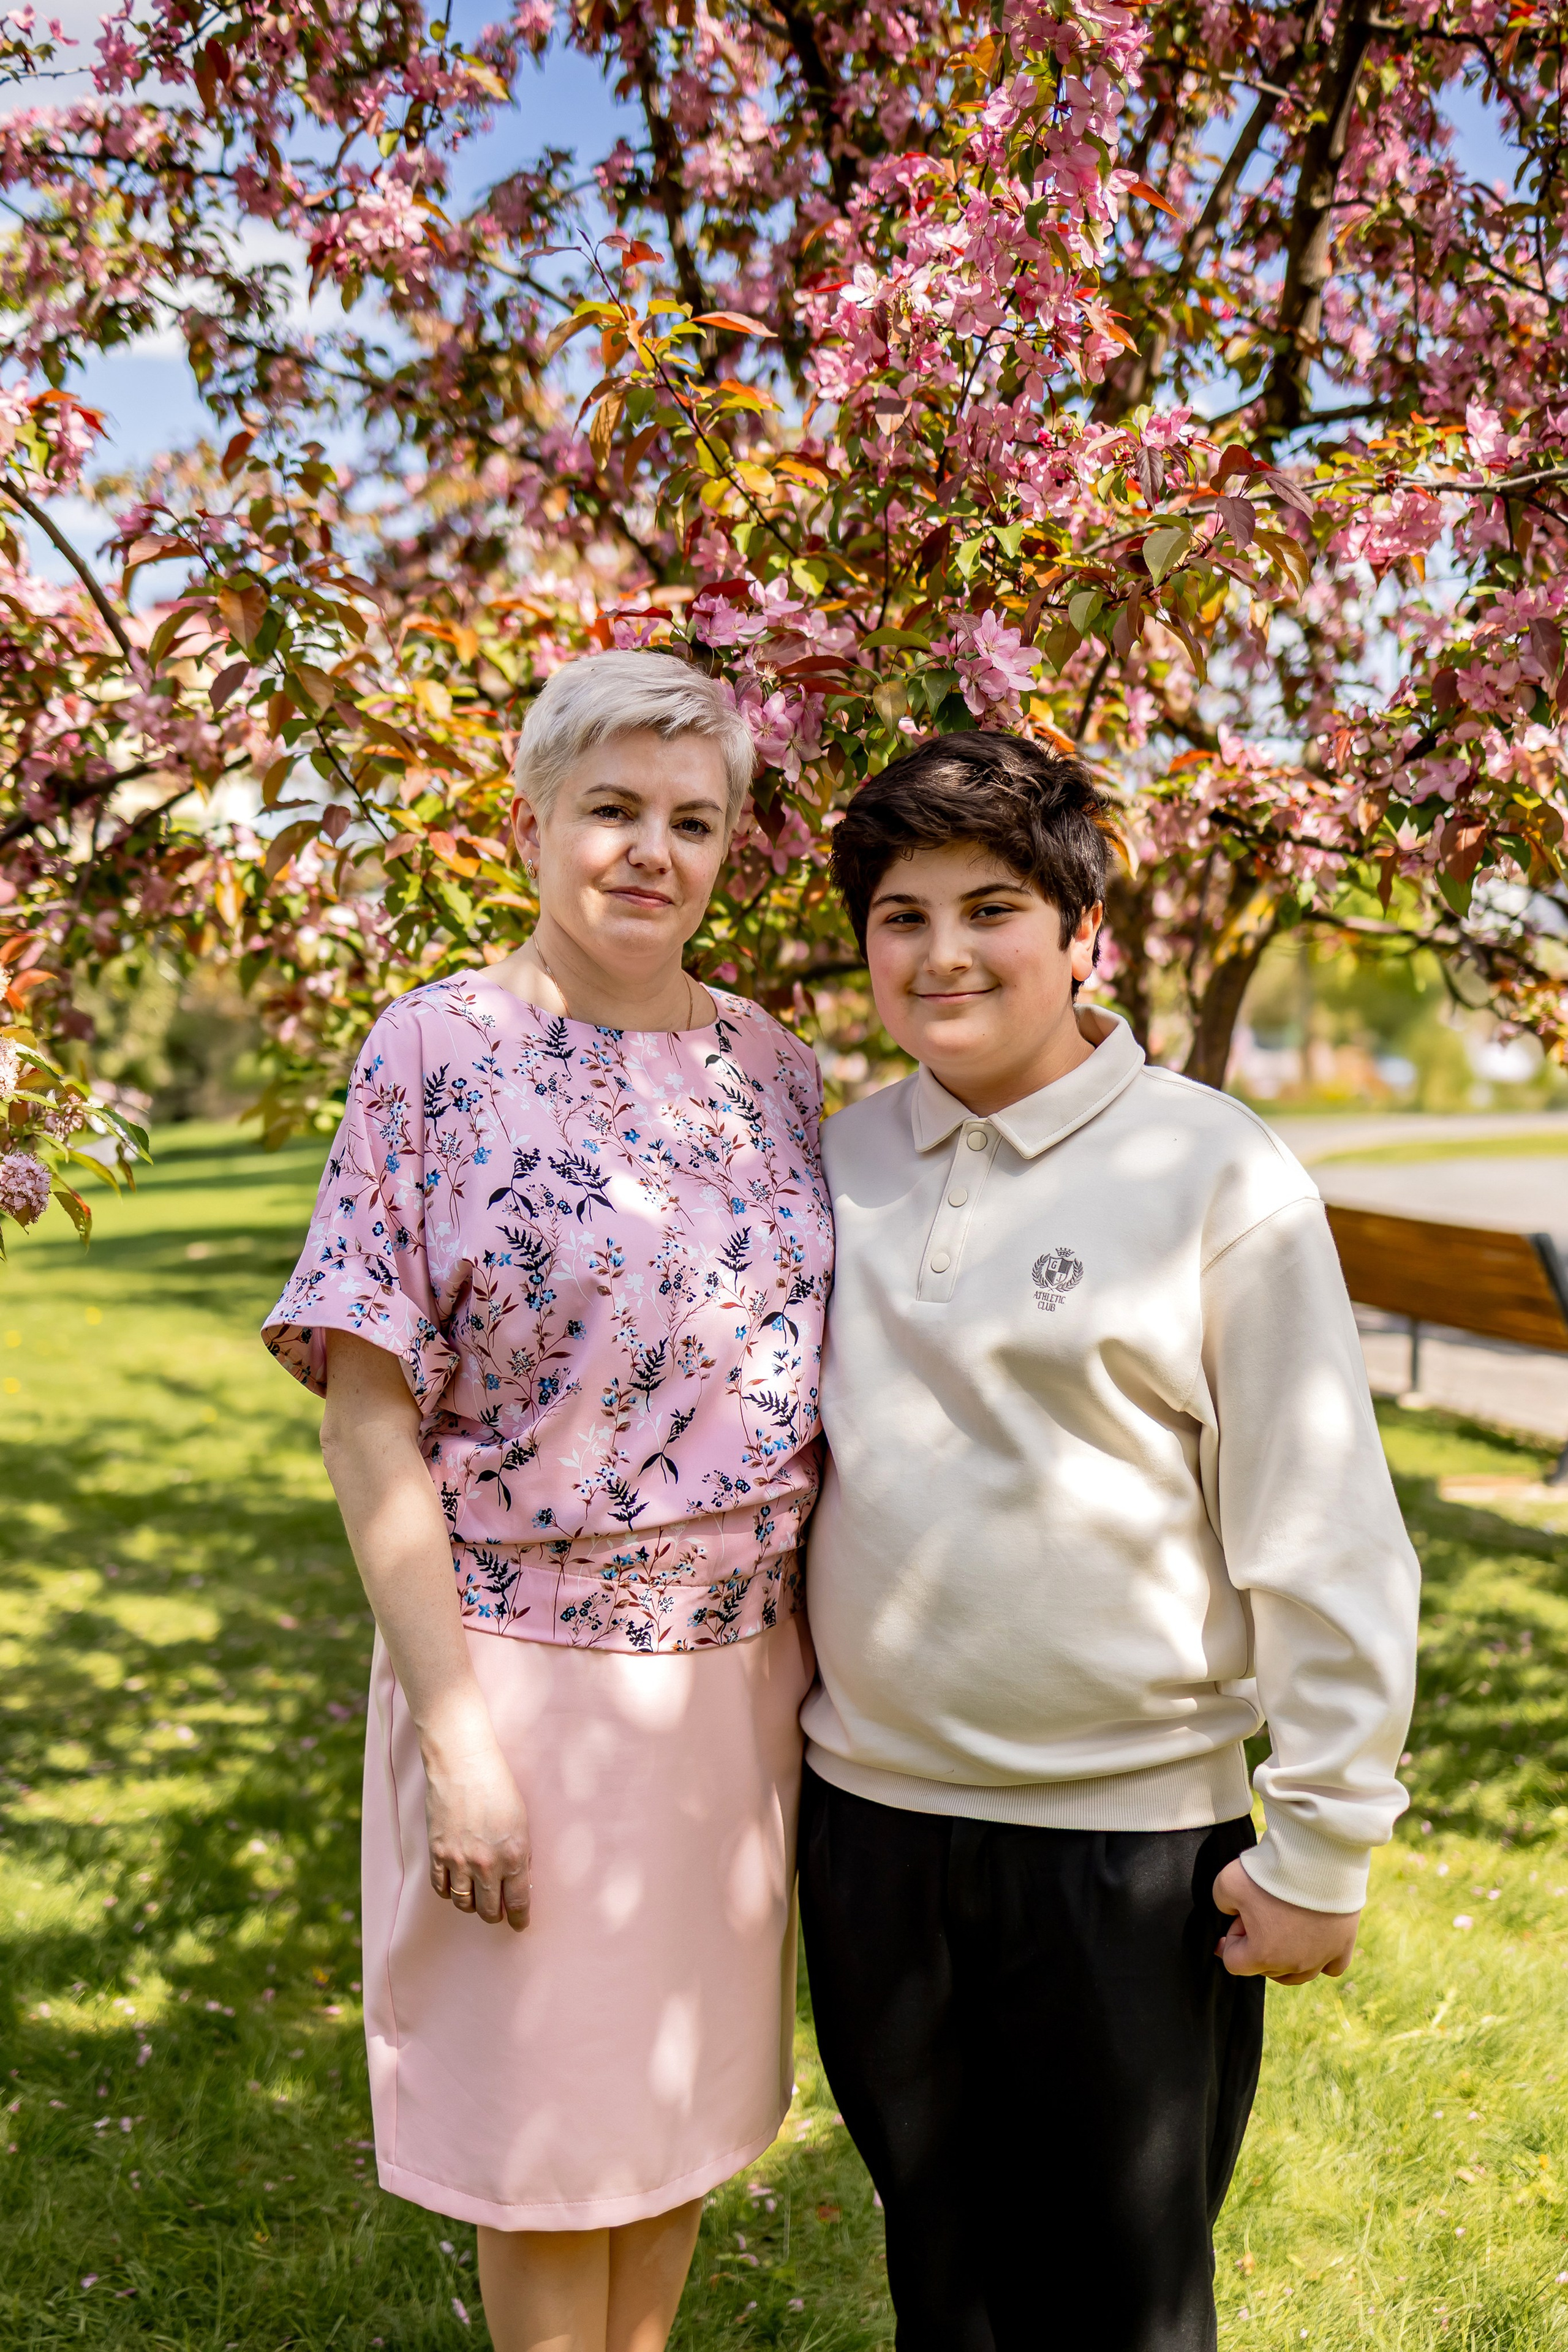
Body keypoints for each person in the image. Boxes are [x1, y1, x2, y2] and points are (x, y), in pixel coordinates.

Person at [797, 732, 1419, 2352]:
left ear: (1087, 935)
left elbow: (1323, 1526)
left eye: (992, 909)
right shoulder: (838, 1161)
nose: (942, 953)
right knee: (945, 2284)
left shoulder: (1211, 1170)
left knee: (1121, 2307)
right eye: (902, 916)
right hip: (872, 1830)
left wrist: (1326, 1843)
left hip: (1125, 1850)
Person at [262, 650, 832, 2352]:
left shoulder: (775, 1068)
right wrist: (462, 1744)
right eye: (611, 810)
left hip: (740, 1685)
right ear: (528, 825)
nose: (652, 852)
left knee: (673, 2121)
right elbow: (368, 1423)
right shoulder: (435, 1049)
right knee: (545, 2149)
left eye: (693, 822)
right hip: (522, 1675)